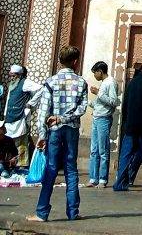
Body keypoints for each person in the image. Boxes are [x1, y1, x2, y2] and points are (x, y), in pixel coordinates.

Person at [27, 45, 88, 224]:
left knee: (51, 169)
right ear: (75, 61)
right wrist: (64, 118)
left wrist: (42, 135)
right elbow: (82, 109)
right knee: (71, 169)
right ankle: (73, 212)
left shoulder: (51, 81)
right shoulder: (81, 82)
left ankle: (42, 212)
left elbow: (43, 110)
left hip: (54, 130)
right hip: (71, 129)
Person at [112, 59, 142, 192]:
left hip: (131, 125)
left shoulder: (132, 82)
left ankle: (120, 182)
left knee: (125, 155)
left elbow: (125, 103)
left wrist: (126, 122)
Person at [4, 65, 43, 168]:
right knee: (9, 142)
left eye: (14, 76)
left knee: (21, 142)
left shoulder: (25, 83)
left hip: (21, 116)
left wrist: (31, 103)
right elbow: (8, 100)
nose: (12, 78)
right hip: (10, 116)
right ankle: (9, 164)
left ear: (19, 75)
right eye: (11, 76)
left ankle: (22, 165)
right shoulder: (12, 85)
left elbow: (41, 89)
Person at [87, 61, 118, 188]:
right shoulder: (104, 83)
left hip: (104, 119)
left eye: (95, 72)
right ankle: (93, 177)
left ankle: (102, 179)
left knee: (103, 150)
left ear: (100, 71)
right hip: (97, 116)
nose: (95, 75)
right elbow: (100, 103)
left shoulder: (111, 82)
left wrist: (98, 93)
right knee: (94, 150)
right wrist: (89, 102)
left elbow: (113, 101)